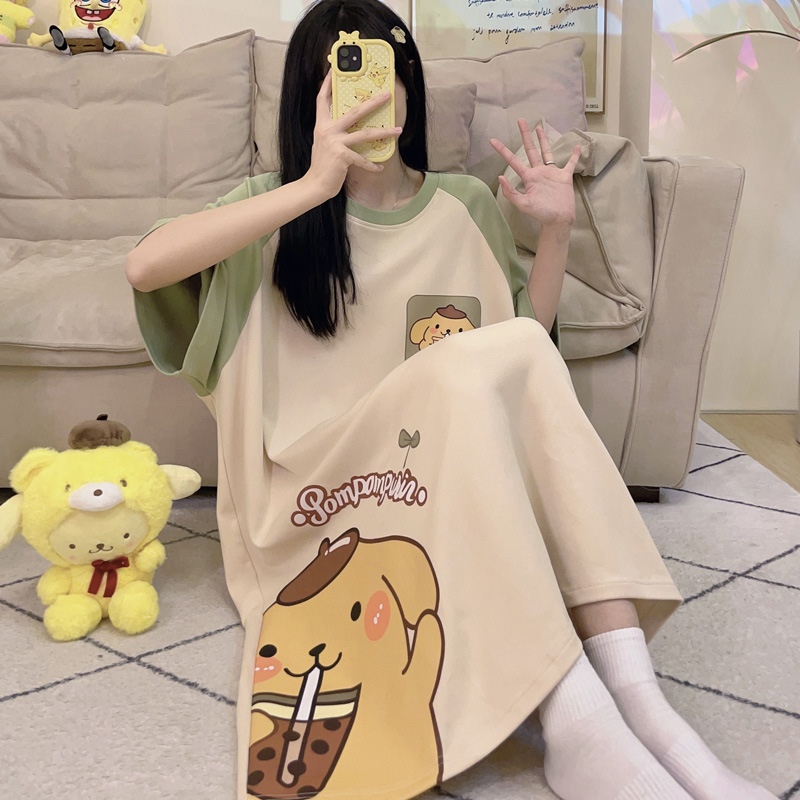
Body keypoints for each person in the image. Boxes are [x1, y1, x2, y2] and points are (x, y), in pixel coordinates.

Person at [126, 2, 778, 799]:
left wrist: (557, 233)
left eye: (388, 74)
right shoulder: (269, 206)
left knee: (500, 356)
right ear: (311, 100)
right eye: (346, 80)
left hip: (435, 480)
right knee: (470, 366)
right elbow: (145, 267)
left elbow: (524, 355)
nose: (373, 97)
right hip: (320, 507)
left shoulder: (464, 203)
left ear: (410, 87)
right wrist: (314, 186)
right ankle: (578, 718)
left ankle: (641, 706)